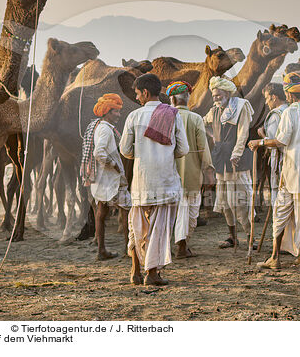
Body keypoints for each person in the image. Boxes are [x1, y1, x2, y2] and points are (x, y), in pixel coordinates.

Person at [120, 73, 189, 285]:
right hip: (165, 182)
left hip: (141, 182)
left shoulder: (133, 116)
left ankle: (135, 271)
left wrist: (140, 154)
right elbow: (183, 149)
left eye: (138, 93)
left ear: (146, 92)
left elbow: (125, 150)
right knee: (159, 230)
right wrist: (166, 154)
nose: (138, 97)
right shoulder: (173, 114)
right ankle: (152, 273)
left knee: (137, 227)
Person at [248, 72, 300, 268]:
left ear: (288, 94)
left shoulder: (290, 112)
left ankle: (275, 257)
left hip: (293, 173)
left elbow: (281, 141)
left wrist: (260, 141)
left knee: (280, 213)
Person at [203, 76, 255, 249]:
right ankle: (232, 237)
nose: (216, 98)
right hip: (220, 159)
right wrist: (213, 137)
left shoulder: (241, 106)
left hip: (237, 161)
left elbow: (243, 132)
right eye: (214, 95)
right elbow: (203, 124)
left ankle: (250, 237)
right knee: (224, 201)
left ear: (227, 92)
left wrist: (237, 152)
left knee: (242, 201)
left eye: (218, 94)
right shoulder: (214, 110)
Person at [166, 81, 214, 258]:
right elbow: (204, 148)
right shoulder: (195, 119)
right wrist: (209, 170)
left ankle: (176, 246)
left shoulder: (165, 117)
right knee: (189, 212)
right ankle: (181, 246)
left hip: (169, 174)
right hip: (191, 173)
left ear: (171, 99)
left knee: (175, 212)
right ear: (188, 98)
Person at [84, 93, 131, 260]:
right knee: (126, 210)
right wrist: (115, 165)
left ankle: (101, 250)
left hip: (102, 180)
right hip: (112, 179)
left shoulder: (98, 126)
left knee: (101, 212)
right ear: (107, 112)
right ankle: (128, 249)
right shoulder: (105, 129)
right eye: (115, 112)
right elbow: (99, 153)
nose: (118, 115)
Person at [257, 83, 288, 205]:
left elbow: (274, 142)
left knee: (278, 197)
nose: (266, 103)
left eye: (267, 98)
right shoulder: (291, 110)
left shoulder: (275, 115)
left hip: (280, 163)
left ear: (274, 97)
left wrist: (262, 136)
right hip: (292, 162)